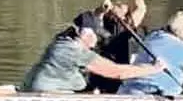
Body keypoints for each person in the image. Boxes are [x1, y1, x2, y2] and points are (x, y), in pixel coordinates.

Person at [20, 12, 170, 93]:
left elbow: (87, 18)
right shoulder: (75, 51)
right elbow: (117, 72)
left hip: (36, 89)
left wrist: (102, 11)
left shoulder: (62, 40)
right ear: (84, 34)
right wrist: (153, 68)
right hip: (47, 96)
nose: (96, 39)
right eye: (95, 34)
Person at [84, 0, 148, 93]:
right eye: (116, 6)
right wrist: (102, 8)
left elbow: (141, 9)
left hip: (119, 69)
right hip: (102, 67)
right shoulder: (101, 24)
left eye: (121, 6)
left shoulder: (128, 25)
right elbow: (96, 14)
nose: (118, 7)